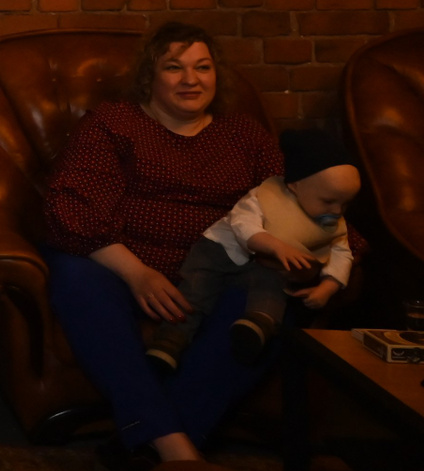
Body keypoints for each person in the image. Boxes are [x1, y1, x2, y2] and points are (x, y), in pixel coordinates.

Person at [40, 22, 283, 465]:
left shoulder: (245, 136)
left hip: (218, 275)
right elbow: (72, 208)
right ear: (149, 76)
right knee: (74, 273)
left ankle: (152, 447)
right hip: (126, 267)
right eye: (174, 67)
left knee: (272, 301)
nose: (191, 79)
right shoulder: (114, 123)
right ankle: (176, 450)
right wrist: (138, 274)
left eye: (202, 67)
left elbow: (295, 207)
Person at [145, 130, 359, 372]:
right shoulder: (264, 197)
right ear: (295, 186)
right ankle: (169, 342)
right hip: (218, 252)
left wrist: (327, 287)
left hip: (263, 265)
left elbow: (342, 252)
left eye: (346, 204)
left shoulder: (333, 221)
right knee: (196, 290)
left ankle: (256, 326)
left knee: (273, 286)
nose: (337, 211)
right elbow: (242, 225)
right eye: (328, 201)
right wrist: (277, 246)